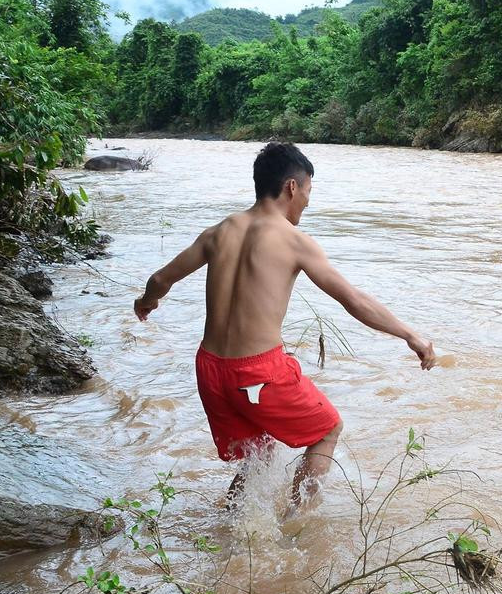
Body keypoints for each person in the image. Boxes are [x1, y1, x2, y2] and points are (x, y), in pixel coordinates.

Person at [133, 142, 436, 514]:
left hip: (211, 369)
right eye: (308, 190)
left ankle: (231, 527)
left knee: (259, 448)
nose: (308, 201)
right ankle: (296, 525)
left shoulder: (219, 231)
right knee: (328, 430)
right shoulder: (294, 241)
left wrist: (147, 302)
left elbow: (160, 278)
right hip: (257, 371)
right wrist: (410, 334)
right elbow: (353, 300)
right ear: (292, 187)